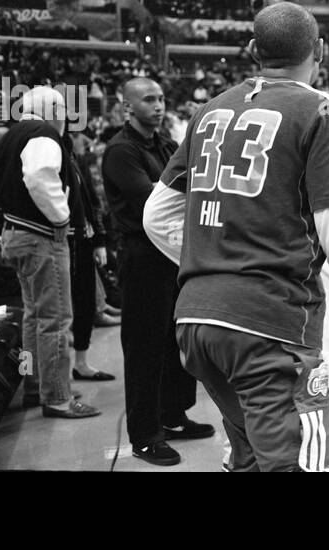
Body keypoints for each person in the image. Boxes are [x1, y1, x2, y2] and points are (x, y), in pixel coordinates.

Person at [141, 2, 329, 472]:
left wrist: (216, 259)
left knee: (248, 459)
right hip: (269, 327)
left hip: (197, 322)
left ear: (252, 50)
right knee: (300, 462)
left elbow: (156, 215)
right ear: (321, 50)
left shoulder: (207, 111)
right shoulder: (324, 111)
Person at [103, 77, 212, 466]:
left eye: (162, 98)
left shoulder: (165, 143)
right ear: (127, 107)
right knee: (145, 348)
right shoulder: (120, 151)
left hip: (172, 254)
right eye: (149, 99)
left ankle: (174, 415)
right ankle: (145, 435)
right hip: (141, 258)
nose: (158, 105)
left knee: (176, 341)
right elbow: (155, 195)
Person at [0, 86, 99, 419]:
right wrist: (61, 216)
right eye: (63, 109)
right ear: (50, 108)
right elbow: (38, 176)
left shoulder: (9, 136)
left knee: (33, 316)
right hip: (39, 236)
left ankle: (35, 384)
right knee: (56, 319)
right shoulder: (43, 134)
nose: (65, 116)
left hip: (13, 231)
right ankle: (58, 397)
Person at [63, 132, 114, 385]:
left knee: (83, 305)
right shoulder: (35, 147)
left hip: (80, 238)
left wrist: (98, 238)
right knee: (49, 318)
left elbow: (89, 197)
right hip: (57, 240)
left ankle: (79, 365)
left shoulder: (71, 155)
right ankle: (34, 378)